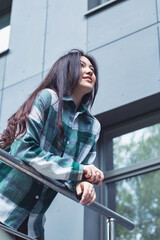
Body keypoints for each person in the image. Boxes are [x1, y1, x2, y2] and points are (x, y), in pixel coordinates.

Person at [0, 49, 104, 240]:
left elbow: (78, 172)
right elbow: (25, 150)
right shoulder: (48, 98)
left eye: (92, 69)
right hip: (3, 208)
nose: (90, 71)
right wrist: (81, 172)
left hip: (34, 225)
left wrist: (83, 183)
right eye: (81, 66)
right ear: (66, 71)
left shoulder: (92, 127)